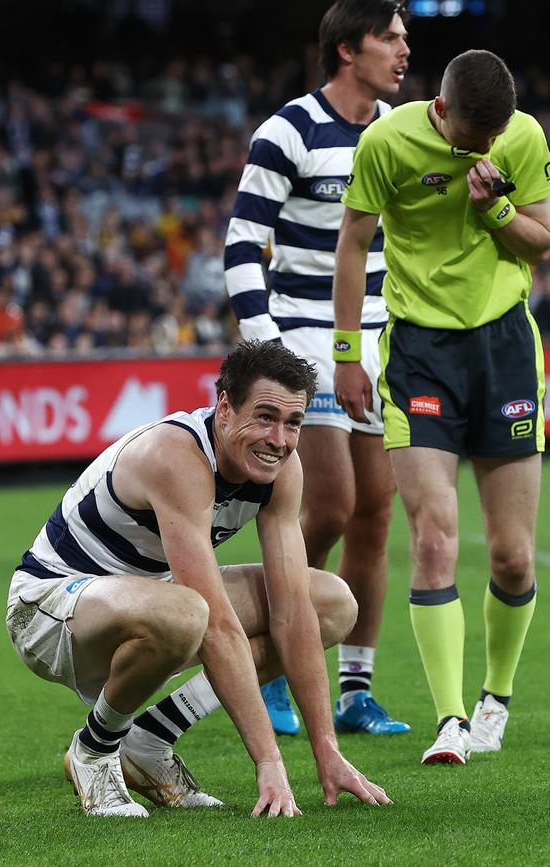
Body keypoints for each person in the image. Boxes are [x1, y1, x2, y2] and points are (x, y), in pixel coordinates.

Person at [6, 340, 392, 817]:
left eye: (293, 423)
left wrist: (326, 750)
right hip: (47, 608)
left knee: (330, 603)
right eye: (266, 417)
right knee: (190, 613)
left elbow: (291, 612)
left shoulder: (281, 468)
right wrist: (269, 761)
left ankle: (149, 740)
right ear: (225, 407)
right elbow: (214, 625)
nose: (279, 439)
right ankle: (94, 749)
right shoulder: (177, 453)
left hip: (152, 603)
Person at [333, 49, 550, 765]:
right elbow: (354, 240)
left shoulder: (522, 135)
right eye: (473, 136)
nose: (487, 147)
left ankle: (495, 698)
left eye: (496, 135)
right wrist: (342, 355)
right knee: (432, 540)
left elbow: (542, 242)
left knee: (515, 557)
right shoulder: (386, 142)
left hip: (506, 350)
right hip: (421, 352)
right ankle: (450, 719)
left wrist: (498, 207)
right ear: (443, 109)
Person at [224, 0, 411, 736]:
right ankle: (275, 659)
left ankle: (356, 690)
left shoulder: (402, 132)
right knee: (328, 501)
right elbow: (243, 245)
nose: (403, 50)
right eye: (389, 37)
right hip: (305, 337)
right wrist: (270, 350)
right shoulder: (289, 129)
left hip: (385, 340)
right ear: (345, 50)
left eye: (404, 37)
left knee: (375, 512)